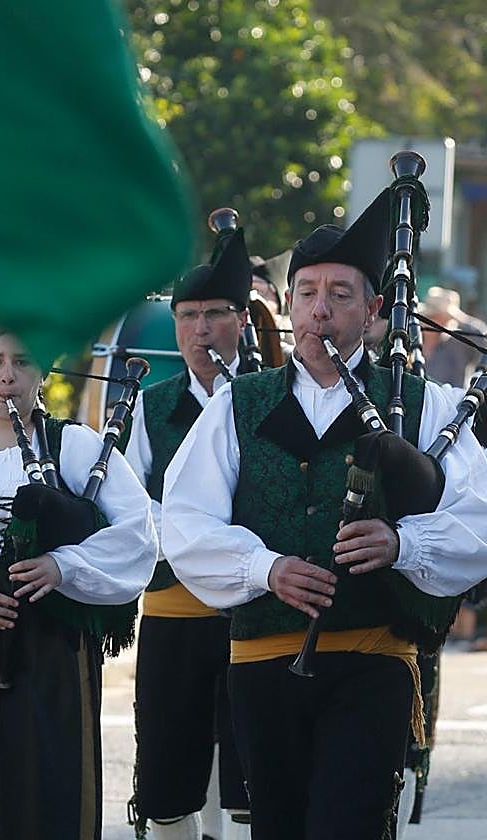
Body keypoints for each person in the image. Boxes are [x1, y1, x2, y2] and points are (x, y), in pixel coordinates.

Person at [162, 189, 487, 839]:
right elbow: (183, 519)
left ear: (371, 311)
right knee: (277, 827)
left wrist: (404, 545)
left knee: (350, 825)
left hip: (372, 659)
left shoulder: (422, 404)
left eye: (341, 294)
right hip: (262, 663)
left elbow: (477, 516)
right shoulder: (238, 405)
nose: (320, 309)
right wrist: (264, 566)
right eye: (307, 292)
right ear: (286, 307)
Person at [0, 320, 156, 840]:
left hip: (49, 657)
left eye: (22, 363)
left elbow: (137, 539)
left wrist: (63, 567)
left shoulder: (78, 448)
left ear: (42, 374)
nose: (8, 377)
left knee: (42, 799)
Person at [124, 228, 253, 839]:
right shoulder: (151, 406)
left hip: (258, 617)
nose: (201, 331)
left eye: (216, 315)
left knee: (254, 781)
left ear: (243, 320)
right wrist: (192, 545)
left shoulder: (271, 397)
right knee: (168, 778)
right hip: (174, 615)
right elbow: (128, 504)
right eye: (188, 316)